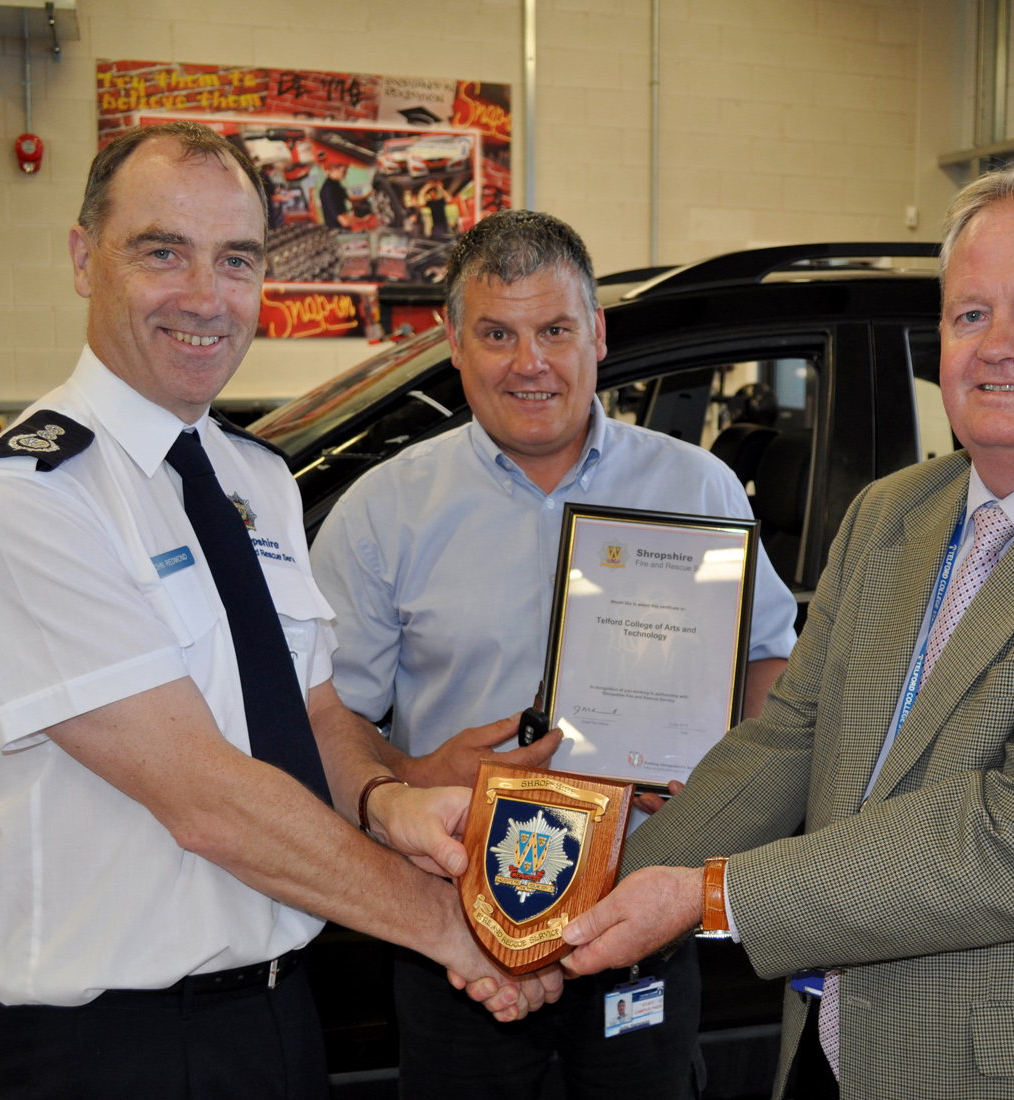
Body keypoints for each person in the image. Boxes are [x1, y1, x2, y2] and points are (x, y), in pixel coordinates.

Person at [559, 159, 1014, 1099]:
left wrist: (707, 898)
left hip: (1011, 1071)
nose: (998, 346)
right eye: (971, 314)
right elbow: (791, 737)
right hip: (833, 1045)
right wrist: (592, 895)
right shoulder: (894, 511)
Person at [0, 121, 557, 1100]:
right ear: (85, 257)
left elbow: (307, 716)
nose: (205, 298)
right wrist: (449, 926)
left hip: (276, 1021)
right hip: (104, 1050)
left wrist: (390, 803)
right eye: (162, 251)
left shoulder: (252, 480)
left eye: (238, 259)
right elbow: (206, 798)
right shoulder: (27, 500)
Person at [309, 208, 799, 1099]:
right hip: (455, 926)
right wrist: (411, 774)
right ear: (452, 340)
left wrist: (718, 775)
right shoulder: (385, 511)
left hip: (643, 909)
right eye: (497, 332)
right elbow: (324, 712)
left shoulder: (697, 489)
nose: (530, 363)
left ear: (597, 335)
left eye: (555, 330)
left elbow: (770, 667)